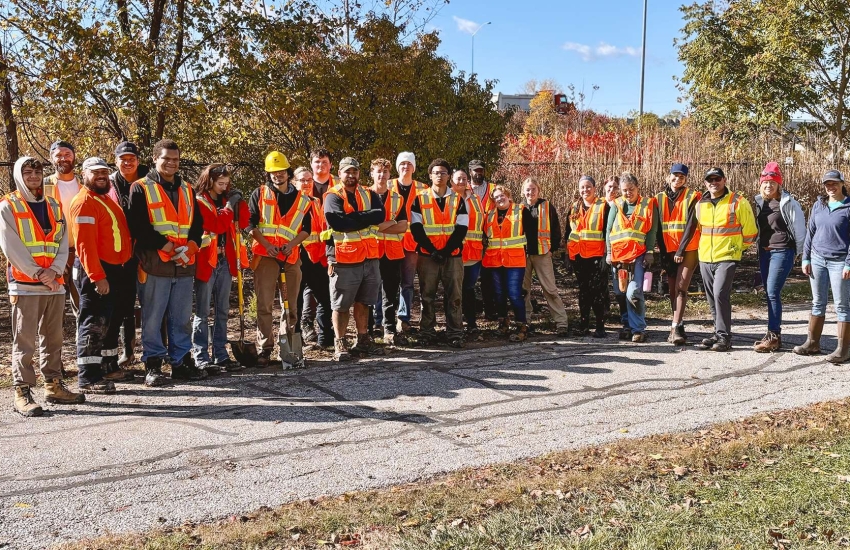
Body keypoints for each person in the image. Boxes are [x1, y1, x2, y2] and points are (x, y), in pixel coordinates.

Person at [1, 156, 84, 416]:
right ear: (19, 175)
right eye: (28, 172)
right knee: (24, 341)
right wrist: (39, 272)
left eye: (37, 171)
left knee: (54, 338)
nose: (34, 176)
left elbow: (62, 241)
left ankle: (53, 385)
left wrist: (56, 271)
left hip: (54, 283)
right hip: (26, 284)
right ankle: (22, 391)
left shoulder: (53, 204)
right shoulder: (8, 205)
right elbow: (10, 246)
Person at [127, 139, 207, 386]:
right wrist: (167, 246)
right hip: (154, 263)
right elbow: (137, 224)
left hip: (183, 264)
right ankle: (153, 364)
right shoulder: (140, 187)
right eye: (166, 159)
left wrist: (191, 247)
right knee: (152, 318)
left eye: (175, 159)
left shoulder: (187, 189)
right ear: (155, 159)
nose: (171, 163)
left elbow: (197, 225)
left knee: (181, 318)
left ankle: (181, 362)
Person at [70, 157, 135, 393]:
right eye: (95, 172)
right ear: (84, 174)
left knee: (111, 320)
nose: (101, 176)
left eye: (104, 173)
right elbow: (84, 245)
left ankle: (108, 366)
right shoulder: (84, 202)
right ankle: (88, 377)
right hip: (97, 271)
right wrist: (98, 276)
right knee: (93, 323)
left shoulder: (105, 199)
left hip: (116, 269)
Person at [248, 151, 312, 368]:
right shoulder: (259, 194)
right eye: (273, 172)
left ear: (288, 172)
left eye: (281, 171)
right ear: (268, 174)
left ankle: (288, 347)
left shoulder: (303, 200)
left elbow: (307, 229)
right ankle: (265, 348)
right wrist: (267, 246)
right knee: (265, 305)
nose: (277, 175)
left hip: (291, 257)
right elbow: (250, 225)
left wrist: (290, 245)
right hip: (266, 257)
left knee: (291, 306)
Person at [323, 157, 385, 361]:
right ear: (339, 173)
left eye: (355, 172)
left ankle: (363, 339)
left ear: (359, 173)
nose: (351, 176)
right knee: (340, 305)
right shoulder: (332, 196)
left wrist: (355, 218)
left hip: (369, 257)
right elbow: (338, 223)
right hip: (344, 258)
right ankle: (340, 343)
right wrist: (365, 218)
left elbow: (380, 215)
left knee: (364, 302)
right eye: (347, 172)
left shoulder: (369, 193)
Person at [192, 164, 250, 373]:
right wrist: (229, 207)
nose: (224, 187)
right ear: (210, 181)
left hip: (226, 262)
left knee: (223, 311)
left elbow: (243, 221)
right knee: (202, 311)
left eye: (227, 183)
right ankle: (200, 356)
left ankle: (220, 354)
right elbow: (217, 225)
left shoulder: (228, 200)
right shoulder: (199, 201)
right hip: (207, 262)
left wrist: (239, 202)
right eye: (220, 183)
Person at [695, 167, 757, 352]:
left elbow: (750, 232)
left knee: (721, 293)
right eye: (710, 180)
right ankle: (717, 332)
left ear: (724, 180)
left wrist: (736, 249)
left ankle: (724, 336)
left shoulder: (738, 202)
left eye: (717, 179)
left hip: (727, 257)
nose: (714, 183)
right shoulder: (700, 204)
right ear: (705, 182)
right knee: (712, 296)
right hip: (705, 256)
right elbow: (699, 230)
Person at [409, 159, 468, 347]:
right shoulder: (420, 198)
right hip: (428, 256)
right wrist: (433, 250)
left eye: (443, 172)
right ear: (430, 176)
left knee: (455, 296)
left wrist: (445, 251)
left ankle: (455, 333)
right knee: (427, 295)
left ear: (448, 176)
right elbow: (416, 228)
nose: (439, 175)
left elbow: (461, 229)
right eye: (436, 172)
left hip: (452, 256)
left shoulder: (458, 200)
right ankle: (426, 332)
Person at [796, 170, 850, 362]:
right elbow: (811, 232)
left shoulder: (848, 207)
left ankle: (843, 350)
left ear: (842, 184)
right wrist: (806, 258)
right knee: (817, 302)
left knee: (842, 305)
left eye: (834, 183)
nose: (831, 187)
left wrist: (848, 264)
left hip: (839, 262)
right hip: (817, 259)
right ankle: (812, 343)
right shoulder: (819, 205)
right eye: (827, 184)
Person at [752, 162, 805, 353]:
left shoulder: (788, 202)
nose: (768, 186)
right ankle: (772, 334)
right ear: (761, 184)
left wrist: (800, 255)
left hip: (783, 250)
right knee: (768, 292)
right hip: (765, 251)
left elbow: (800, 230)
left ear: (778, 184)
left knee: (773, 291)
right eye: (765, 182)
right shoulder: (759, 202)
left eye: (772, 182)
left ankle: (774, 336)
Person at [108, 141, 148, 368]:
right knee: (124, 304)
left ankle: (154, 353)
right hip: (121, 253)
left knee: (152, 303)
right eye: (123, 159)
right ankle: (127, 351)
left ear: (138, 160)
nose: (128, 162)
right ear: (116, 161)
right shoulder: (111, 182)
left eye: (131, 158)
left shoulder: (148, 181)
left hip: (147, 250)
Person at [606, 172, 658, 343]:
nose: (628, 193)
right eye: (624, 190)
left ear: (637, 188)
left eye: (631, 189)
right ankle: (627, 324)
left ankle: (638, 328)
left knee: (633, 292)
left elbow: (651, 230)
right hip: (619, 257)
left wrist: (650, 252)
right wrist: (609, 253)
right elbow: (608, 230)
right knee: (620, 292)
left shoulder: (648, 204)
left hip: (638, 255)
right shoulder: (617, 204)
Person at [655, 163, 701, 345]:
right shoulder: (658, 199)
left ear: (686, 179)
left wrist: (681, 250)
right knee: (673, 290)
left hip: (688, 248)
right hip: (668, 249)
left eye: (682, 177)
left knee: (681, 287)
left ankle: (674, 328)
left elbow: (691, 225)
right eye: (675, 176)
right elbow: (658, 228)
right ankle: (679, 324)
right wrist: (663, 253)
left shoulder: (693, 196)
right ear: (668, 177)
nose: (678, 179)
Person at [521, 177, 569, 335]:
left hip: (543, 253)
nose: (530, 192)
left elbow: (556, 229)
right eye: (528, 189)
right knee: (523, 290)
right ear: (523, 191)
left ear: (538, 190)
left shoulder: (547, 206)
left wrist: (552, 249)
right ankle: (524, 322)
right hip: (523, 255)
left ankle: (561, 322)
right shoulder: (518, 208)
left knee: (550, 289)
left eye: (533, 189)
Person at [293, 166, 334, 350]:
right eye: (302, 180)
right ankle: (296, 341)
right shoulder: (291, 202)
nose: (306, 183)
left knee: (326, 299)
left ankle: (325, 339)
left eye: (309, 180)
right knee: (296, 302)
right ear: (294, 182)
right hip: (297, 256)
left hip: (317, 257)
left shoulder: (317, 201)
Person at [484, 185, 531, 342]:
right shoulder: (489, 215)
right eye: (496, 197)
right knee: (498, 294)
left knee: (514, 293)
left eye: (502, 196)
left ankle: (521, 326)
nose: (499, 199)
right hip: (494, 260)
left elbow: (531, 233)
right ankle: (503, 323)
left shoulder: (521, 210)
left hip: (515, 260)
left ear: (508, 196)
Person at [369, 158, 408, 344]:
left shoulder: (397, 198)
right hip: (370, 251)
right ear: (372, 173)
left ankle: (389, 330)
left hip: (392, 252)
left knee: (390, 293)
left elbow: (402, 227)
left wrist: (380, 226)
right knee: (367, 293)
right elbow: (365, 226)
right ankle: (367, 332)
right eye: (378, 171)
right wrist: (391, 222)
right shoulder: (363, 196)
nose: (382, 175)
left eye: (385, 172)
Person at [301, 149, 337, 345]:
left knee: (326, 291)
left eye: (324, 162)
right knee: (307, 289)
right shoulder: (303, 184)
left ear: (330, 164)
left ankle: (326, 333)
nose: (321, 165)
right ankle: (306, 324)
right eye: (317, 162)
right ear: (311, 164)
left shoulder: (337, 184)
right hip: (305, 248)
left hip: (330, 247)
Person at [566, 175, 609, 337]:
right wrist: (568, 256)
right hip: (578, 256)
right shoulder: (575, 207)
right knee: (583, 291)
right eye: (582, 187)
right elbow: (569, 232)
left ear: (595, 188)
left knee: (597, 291)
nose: (585, 190)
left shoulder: (603, 206)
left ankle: (600, 326)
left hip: (597, 256)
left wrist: (607, 255)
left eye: (588, 186)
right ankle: (583, 324)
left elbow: (607, 232)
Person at [392, 152, 428, 336]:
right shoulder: (388, 185)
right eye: (402, 164)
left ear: (414, 167)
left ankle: (403, 319)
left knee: (407, 283)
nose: (406, 167)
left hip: (412, 244)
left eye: (409, 164)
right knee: (387, 283)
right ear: (397, 167)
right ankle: (382, 320)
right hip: (389, 242)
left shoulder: (423, 188)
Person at [44, 140, 82, 315]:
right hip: (52, 255)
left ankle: (81, 341)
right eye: (58, 155)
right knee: (50, 308)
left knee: (81, 304)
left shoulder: (85, 186)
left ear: (74, 157)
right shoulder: (43, 186)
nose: (63, 158)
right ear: (51, 158)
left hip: (79, 253)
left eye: (67, 154)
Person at [451, 169, 485, 335]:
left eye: (464, 178)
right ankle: (456, 324)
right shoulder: (448, 199)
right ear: (452, 180)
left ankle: (471, 322)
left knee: (469, 288)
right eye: (458, 178)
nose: (462, 181)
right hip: (455, 251)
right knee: (455, 289)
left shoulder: (476, 199)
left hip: (474, 252)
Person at [469, 159, 498, 321]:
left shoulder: (493, 189)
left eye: (481, 170)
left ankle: (490, 311)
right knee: (468, 279)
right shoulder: (462, 188)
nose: (478, 173)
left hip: (490, 240)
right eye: (475, 171)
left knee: (488, 278)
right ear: (470, 172)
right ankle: (470, 312)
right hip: (469, 241)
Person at [603, 175, 625, 325]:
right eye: (609, 186)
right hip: (599, 250)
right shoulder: (599, 204)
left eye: (615, 187)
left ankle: (625, 314)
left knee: (620, 286)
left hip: (618, 250)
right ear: (604, 187)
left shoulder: (621, 204)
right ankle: (604, 311)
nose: (612, 189)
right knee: (601, 283)